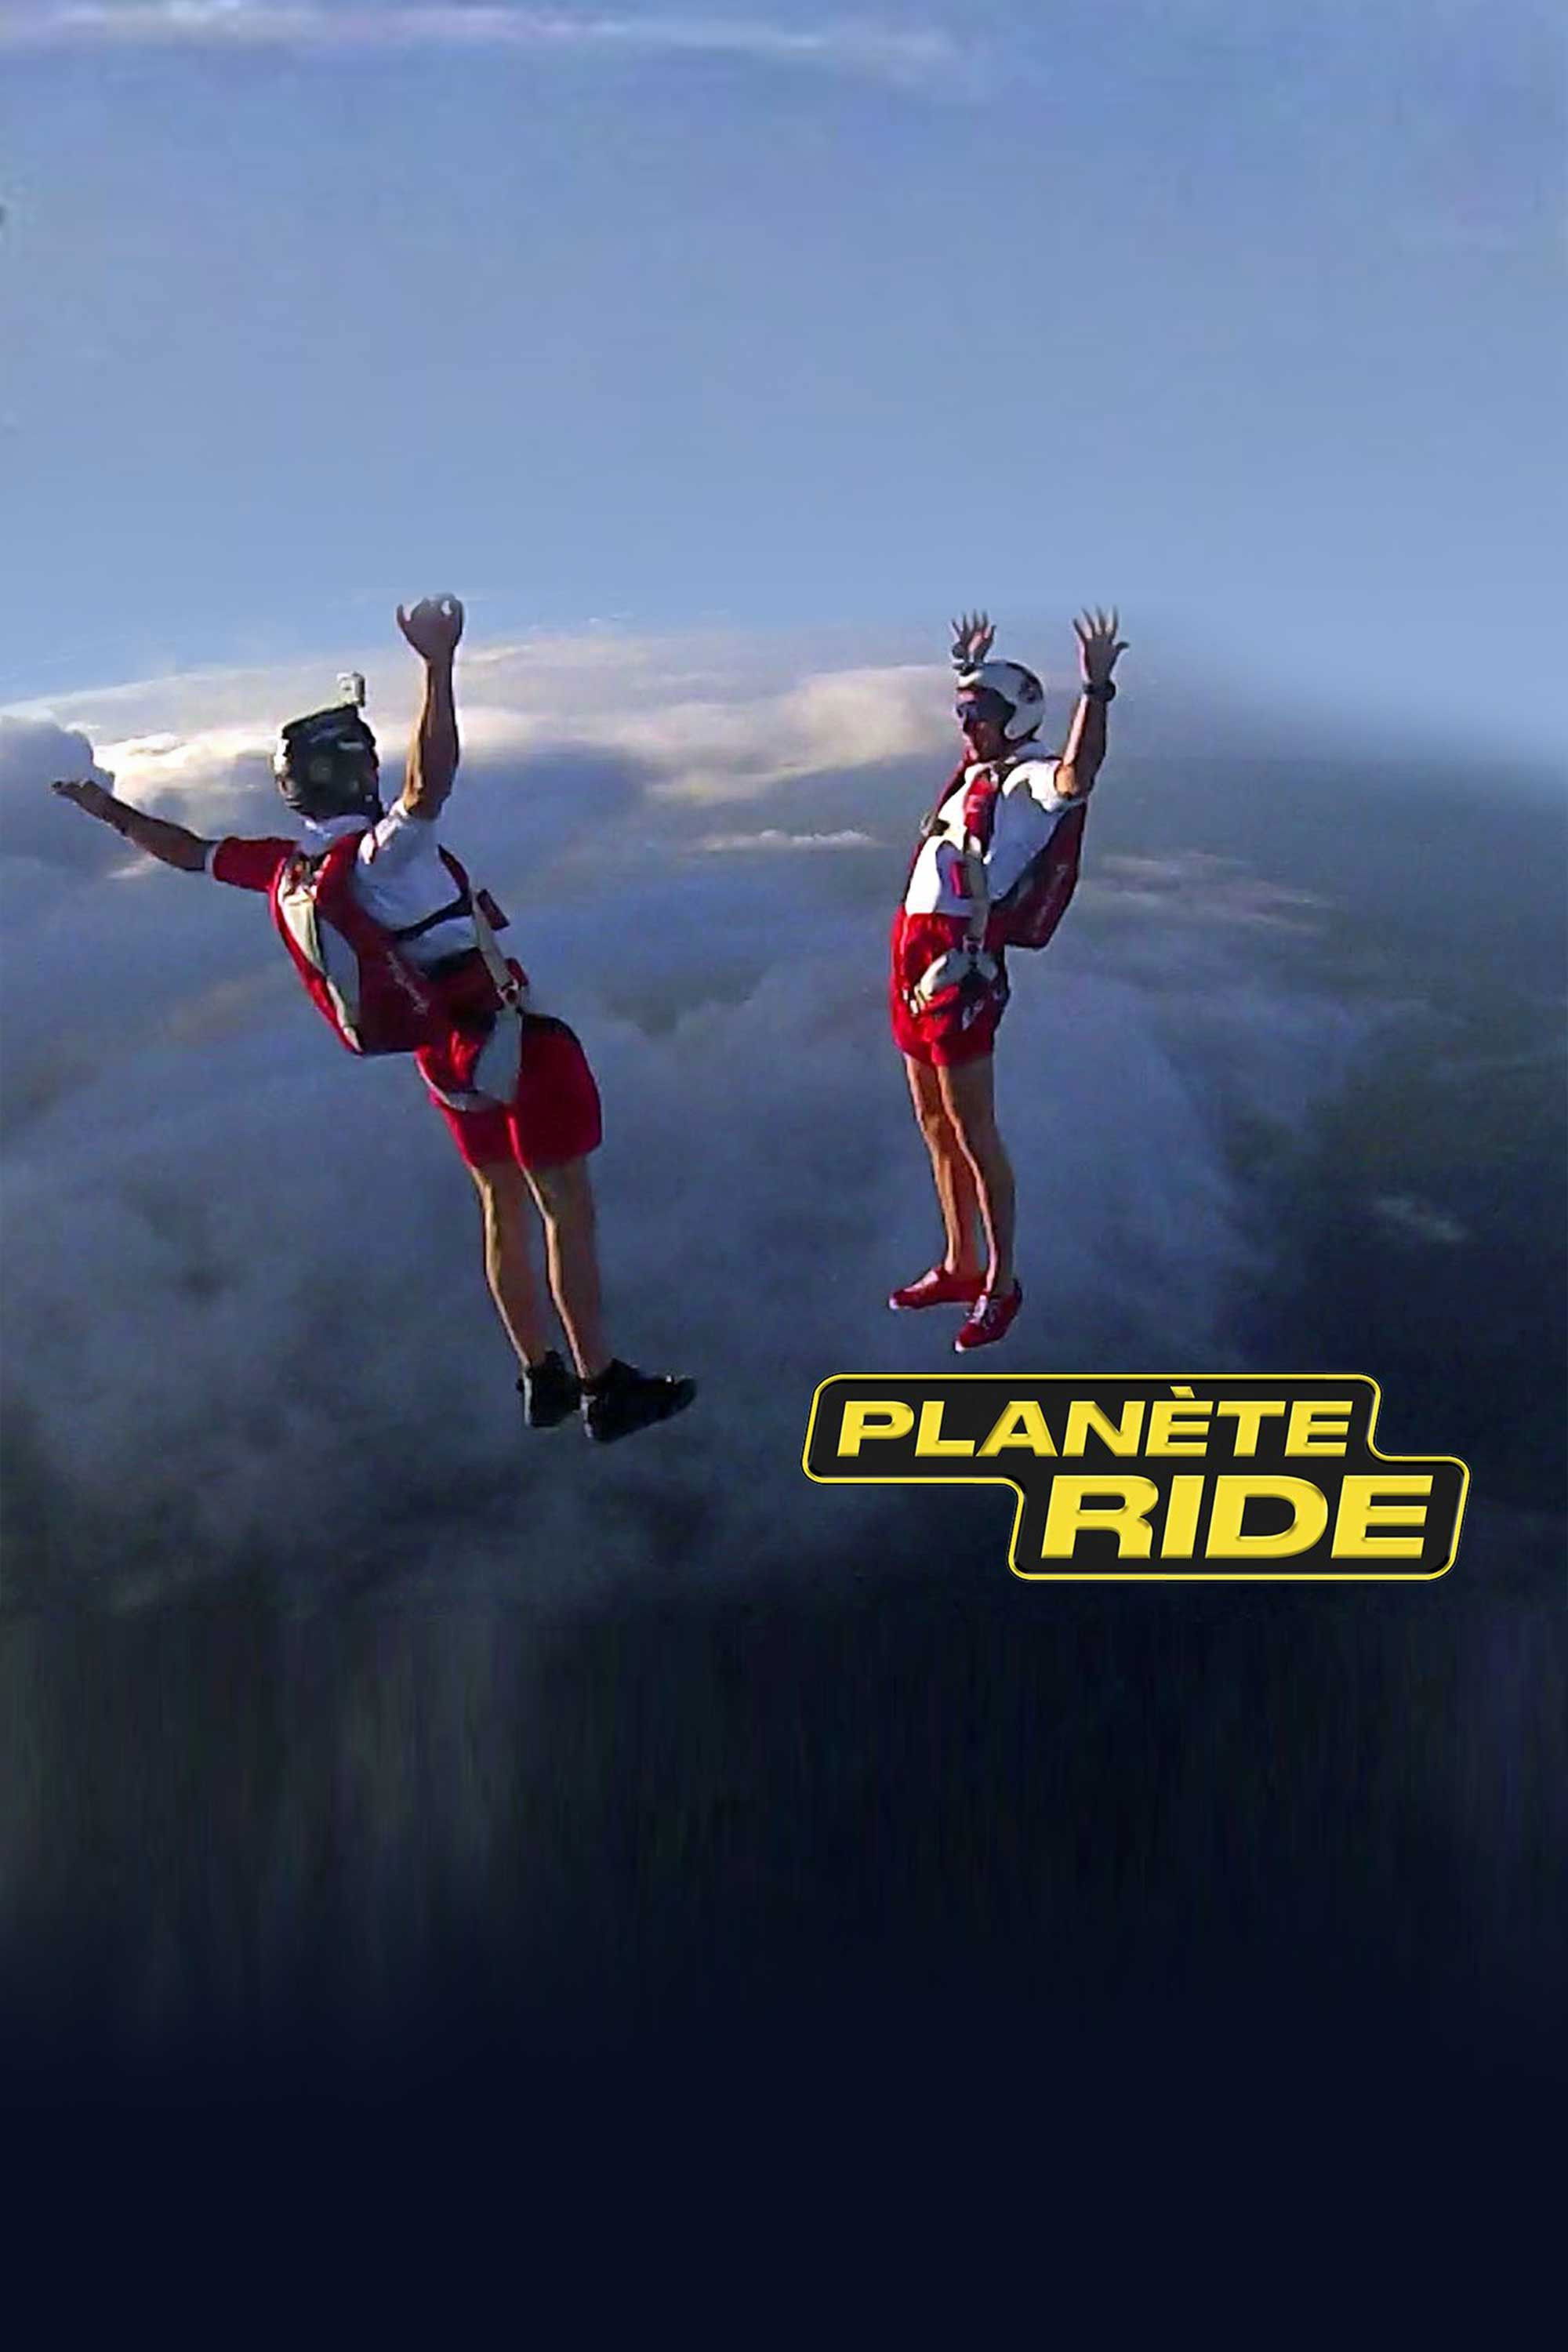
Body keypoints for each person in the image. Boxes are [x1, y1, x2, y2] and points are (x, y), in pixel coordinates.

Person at [52, 596, 695, 1446]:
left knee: (499, 1207)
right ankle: (601, 1384)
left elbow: (186, 850)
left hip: (444, 1060)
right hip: (514, 1041)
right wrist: (437, 665)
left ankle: (538, 1372)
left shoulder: (288, 868)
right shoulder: (385, 855)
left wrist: (108, 813)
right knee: (564, 1210)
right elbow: (432, 783)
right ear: (357, 774)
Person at [887, 606, 1127, 1350]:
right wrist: (968, 669)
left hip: (960, 961)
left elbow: (1078, 777)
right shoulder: (981, 772)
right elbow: (978, 748)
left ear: (1013, 720)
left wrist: (1096, 690)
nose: (967, 726)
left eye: (980, 716)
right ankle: (960, 1261)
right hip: (918, 952)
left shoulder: (1029, 779)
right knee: (934, 1121)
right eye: (964, 714)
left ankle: (1001, 1280)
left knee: (973, 1129)